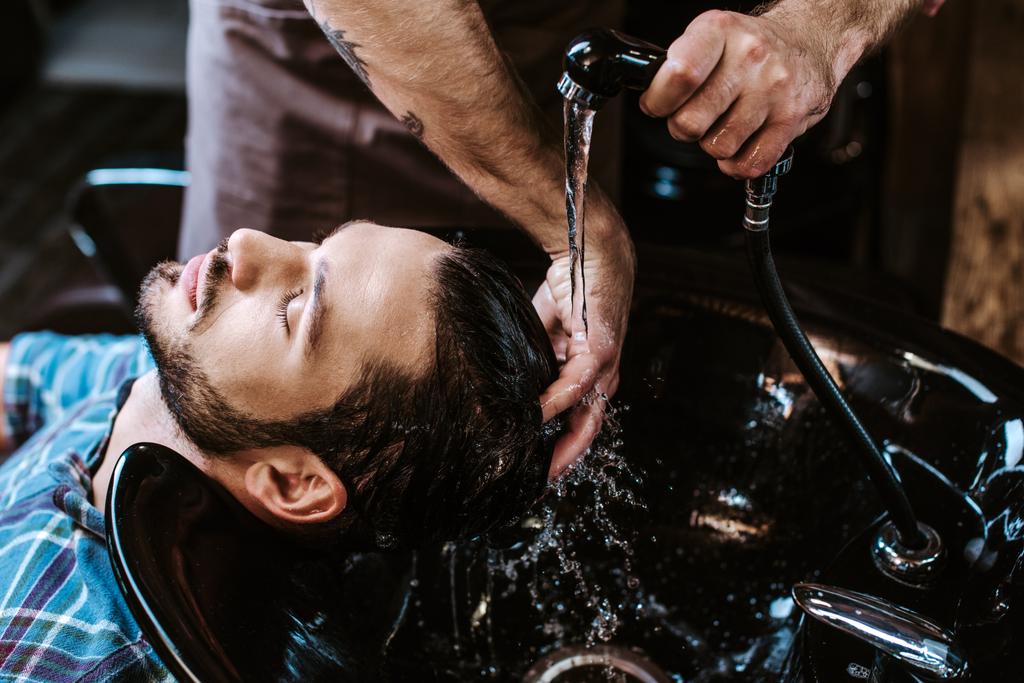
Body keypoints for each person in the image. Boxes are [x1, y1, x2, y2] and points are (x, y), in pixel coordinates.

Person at [179, 0, 946, 478]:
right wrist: (574, 220)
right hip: (340, 77)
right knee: (274, 418)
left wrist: (825, 26)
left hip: (554, 77)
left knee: (511, 428)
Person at [0, 223, 561, 680]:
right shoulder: (187, 390)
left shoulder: (60, 656)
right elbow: (17, 383)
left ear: (294, 485)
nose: (246, 242)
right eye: (314, 245)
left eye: (293, 310)